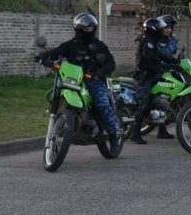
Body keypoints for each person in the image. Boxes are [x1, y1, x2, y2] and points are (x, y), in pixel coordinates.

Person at [35, 13, 122, 153]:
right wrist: (42, 57)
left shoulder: (100, 46)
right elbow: (56, 52)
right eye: (87, 28)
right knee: (55, 95)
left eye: (92, 28)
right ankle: (64, 127)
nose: (90, 31)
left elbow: (111, 64)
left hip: (94, 80)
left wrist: (99, 73)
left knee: (102, 104)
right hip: (73, 79)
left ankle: (112, 135)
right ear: (79, 29)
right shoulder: (70, 45)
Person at [131, 17, 170, 145]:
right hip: (144, 77)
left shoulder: (154, 42)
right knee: (144, 103)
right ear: (154, 29)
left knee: (159, 99)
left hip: (153, 75)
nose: (162, 30)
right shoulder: (147, 42)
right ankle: (135, 133)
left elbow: (161, 57)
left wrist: (177, 62)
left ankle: (162, 129)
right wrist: (160, 65)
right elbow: (149, 60)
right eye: (160, 28)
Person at [154, 14, 180, 139]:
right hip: (156, 71)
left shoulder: (173, 40)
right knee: (161, 95)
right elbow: (164, 54)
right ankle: (160, 128)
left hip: (169, 70)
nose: (168, 30)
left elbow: (172, 55)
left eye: (170, 27)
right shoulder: (155, 40)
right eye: (165, 28)